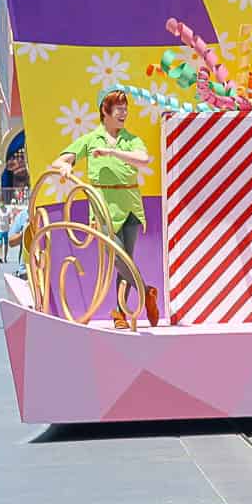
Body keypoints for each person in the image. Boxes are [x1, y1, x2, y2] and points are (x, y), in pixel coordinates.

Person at [48, 88, 154, 328]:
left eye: (125, 108)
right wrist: (65, 167)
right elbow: (60, 159)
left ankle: (120, 313)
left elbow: (144, 159)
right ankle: (147, 292)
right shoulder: (90, 139)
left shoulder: (131, 139)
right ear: (105, 111)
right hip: (102, 206)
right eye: (119, 108)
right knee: (118, 258)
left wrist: (112, 151)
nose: (124, 112)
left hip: (130, 206)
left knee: (127, 259)